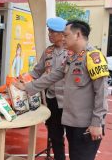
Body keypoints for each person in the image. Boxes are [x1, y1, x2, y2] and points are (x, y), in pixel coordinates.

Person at [14, 20, 108, 160]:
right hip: (72, 122)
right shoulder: (72, 56)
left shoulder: (93, 57)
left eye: (66, 35)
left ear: (77, 35)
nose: (63, 38)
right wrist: (26, 87)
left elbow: (101, 93)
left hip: (86, 126)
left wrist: (96, 122)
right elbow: (52, 76)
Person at [29, 17, 67, 160]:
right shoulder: (48, 51)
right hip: (52, 100)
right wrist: (20, 80)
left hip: (69, 101)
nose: (49, 34)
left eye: (52, 32)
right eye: (49, 31)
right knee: (55, 134)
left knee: (72, 135)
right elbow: (37, 72)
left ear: (62, 34)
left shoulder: (71, 51)